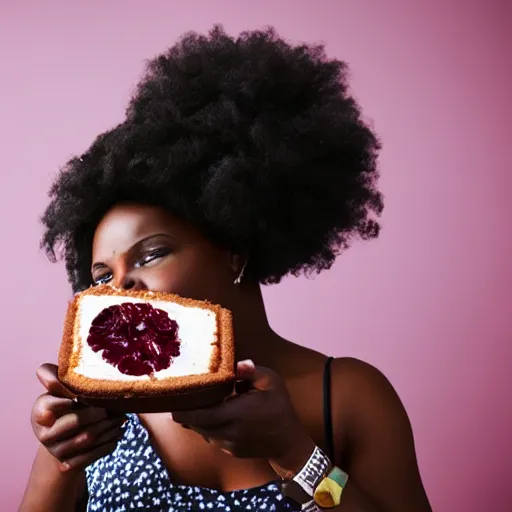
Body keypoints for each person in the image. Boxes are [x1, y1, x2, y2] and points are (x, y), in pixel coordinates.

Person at [21, 26, 432, 512]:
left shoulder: (347, 395)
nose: (122, 286)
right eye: (103, 276)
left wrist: (294, 453)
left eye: (151, 255)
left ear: (235, 250)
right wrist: (59, 455)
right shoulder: (98, 412)